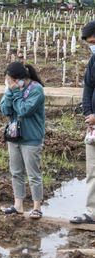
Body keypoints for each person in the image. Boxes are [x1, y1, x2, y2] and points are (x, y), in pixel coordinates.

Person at [0, 62, 45, 219]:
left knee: (33, 174)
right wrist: (9, 93)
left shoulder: (36, 90)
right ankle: (18, 205)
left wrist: (16, 93)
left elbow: (24, 110)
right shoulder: (12, 90)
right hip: (14, 136)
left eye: (10, 80)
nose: (8, 82)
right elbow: (5, 109)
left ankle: (37, 207)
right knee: (16, 172)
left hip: (31, 138)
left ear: (18, 78)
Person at [70, 21, 95, 225]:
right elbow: (87, 88)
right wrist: (88, 113)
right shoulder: (93, 61)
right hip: (93, 125)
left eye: (94, 41)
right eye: (89, 44)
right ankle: (92, 213)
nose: (92, 46)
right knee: (92, 171)